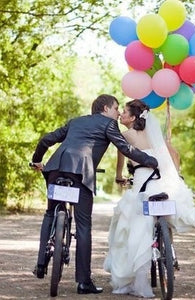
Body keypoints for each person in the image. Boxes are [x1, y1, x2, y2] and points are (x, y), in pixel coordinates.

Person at [30, 94, 158, 295]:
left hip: (55, 169)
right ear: (106, 108)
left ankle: (40, 264)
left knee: (50, 213)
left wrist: (36, 160)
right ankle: (83, 282)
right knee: (83, 226)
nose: (117, 113)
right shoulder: (108, 125)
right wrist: (150, 160)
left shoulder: (76, 121)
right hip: (80, 174)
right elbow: (125, 148)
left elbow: (47, 139)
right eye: (116, 108)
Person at [104, 99, 195, 298]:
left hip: (142, 182)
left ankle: (135, 277)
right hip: (164, 181)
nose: (121, 114)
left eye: (124, 112)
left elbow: (120, 162)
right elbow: (175, 154)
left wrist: (119, 177)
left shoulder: (125, 135)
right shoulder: (155, 135)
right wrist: (176, 174)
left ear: (132, 117)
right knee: (164, 213)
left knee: (130, 225)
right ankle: (168, 247)